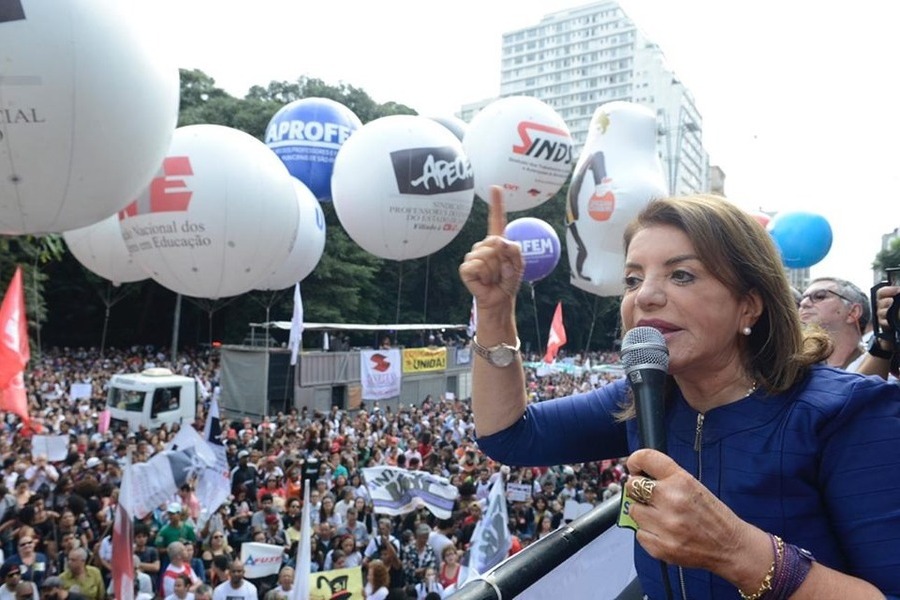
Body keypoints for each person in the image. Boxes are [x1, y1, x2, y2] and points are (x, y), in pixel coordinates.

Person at [459, 189, 900, 599]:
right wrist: (495, 310)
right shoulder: (641, 397)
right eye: (632, 280)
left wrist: (738, 551)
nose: (645, 296)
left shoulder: (849, 413)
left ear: (749, 304)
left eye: (682, 275)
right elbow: (509, 436)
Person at [798, 277, 870, 371]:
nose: (804, 303)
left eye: (820, 296)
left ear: (853, 312)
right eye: (802, 298)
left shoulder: (881, 367)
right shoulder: (795, 368)